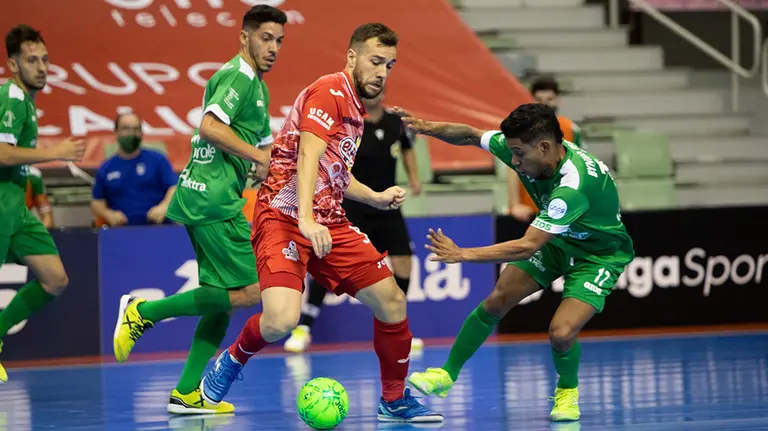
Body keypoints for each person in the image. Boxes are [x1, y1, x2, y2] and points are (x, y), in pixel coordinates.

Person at [200, 23, 443, 424]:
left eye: (390, 65)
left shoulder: (357, 112)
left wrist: (375, 197)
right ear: (352, 57)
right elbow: (308, 157)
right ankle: (231, 359)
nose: (382, 73)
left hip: (329, 219)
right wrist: (308, 220)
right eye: (375, 61)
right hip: (283, 214)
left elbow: (336, 172)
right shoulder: (329, 91)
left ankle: (394, 400)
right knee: (280, 321)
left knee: (392, 302)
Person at [393, 103, 634, 422]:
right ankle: (447, 374)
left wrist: (463, 254)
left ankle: (567, 392)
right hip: (558, 241)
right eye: (512, 153)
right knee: (497, 300)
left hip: (597, 254)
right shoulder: (525, 147)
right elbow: (471, 135)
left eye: (519, 154)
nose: (515, 162)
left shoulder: (573, 186)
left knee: (561, 333)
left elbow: (526, 246)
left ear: (545, 147)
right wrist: (425, 126)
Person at [111, 5, 285, 415]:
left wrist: (264, 163)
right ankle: (143, 311)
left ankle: (187, 392)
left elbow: (262, 147)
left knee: (224, 300)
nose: (273, 47)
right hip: (212, 199)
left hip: (215, 196)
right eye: (266, 38)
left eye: (279, 41)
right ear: (245, 38)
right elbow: (209, 126)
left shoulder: (258, 87)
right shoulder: (237, 76)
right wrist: (255, 159)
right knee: (257, 288)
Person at [283, 92, 423, 354]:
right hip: (354, 206)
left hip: (387, 205)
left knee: (404, 262)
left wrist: (414, 177)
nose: (377, 87)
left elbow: (407, 147)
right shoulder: (351, 123)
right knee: (329, 266)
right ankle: (304, 327)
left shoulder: (395, 122)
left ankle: (398, 327)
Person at [0, 24, 85, 383]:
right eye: (31, 60)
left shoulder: (28, 103)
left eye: (45, 59)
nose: (41, 67)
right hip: (2, 200)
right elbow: (2, 152)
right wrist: (56, 153)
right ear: (13, 64)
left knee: (54, 278)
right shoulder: (12, 97)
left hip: (17, 205)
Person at [509, 76, 586, 223]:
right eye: (539, 99)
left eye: (549, 99)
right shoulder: (519, 131)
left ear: (557, 100)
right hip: (531, 209)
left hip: (565, 206)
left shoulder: (571, 129)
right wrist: (515, 204)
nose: (544, 104)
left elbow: (581, 167)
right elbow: (512, 168)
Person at [91, 112, 178, 226]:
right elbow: (97, 202)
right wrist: (109, 214)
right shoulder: (106, 168)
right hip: (122, 231)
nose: (131, 133)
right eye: (126, 128)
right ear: (116, 132)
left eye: (136, 129)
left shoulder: (158, 160)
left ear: (141, 133)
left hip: (159, 228)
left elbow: (174, 188)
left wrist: (164, 207)